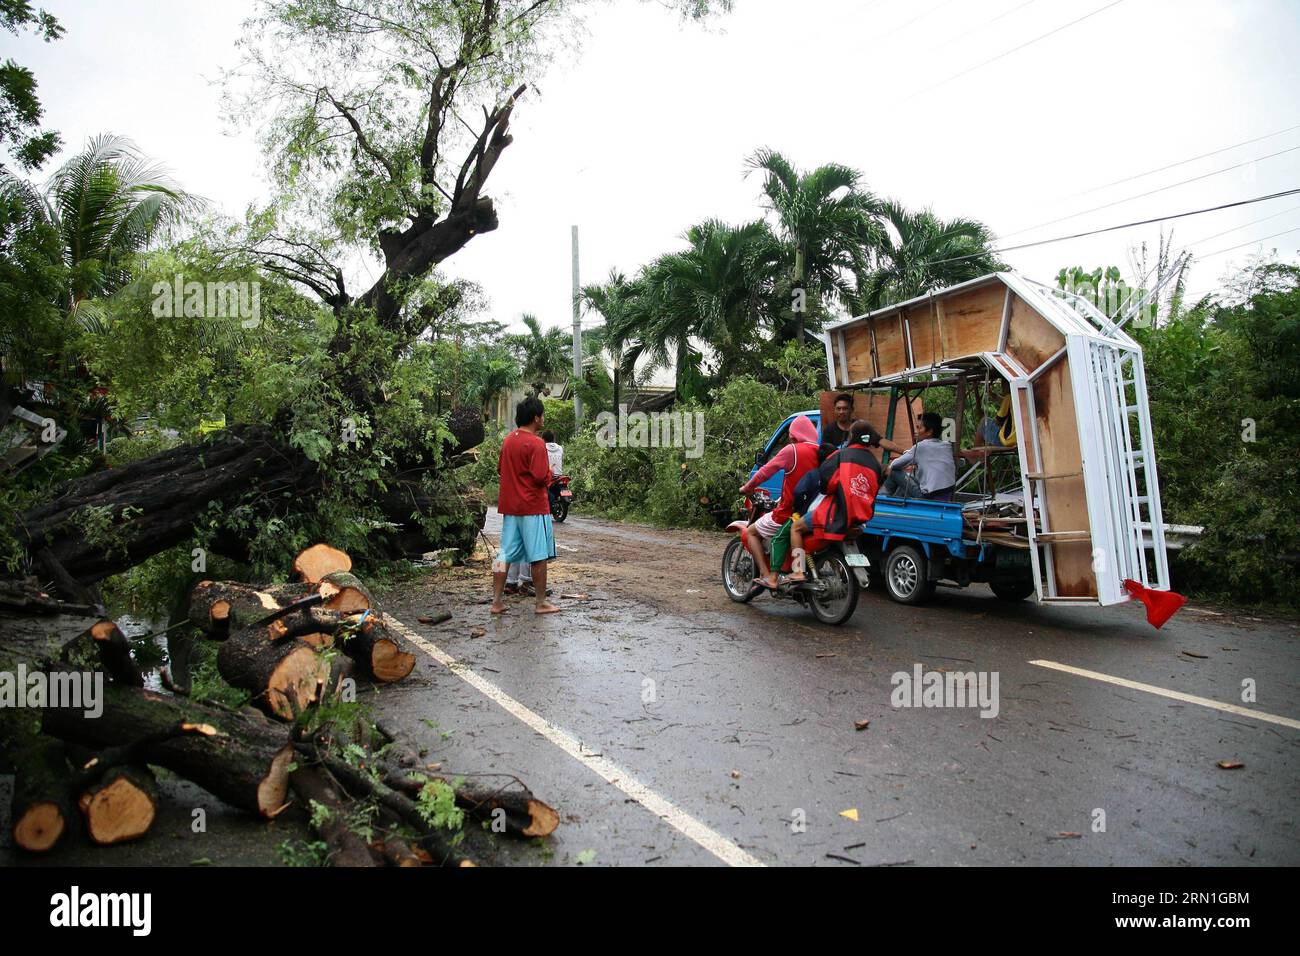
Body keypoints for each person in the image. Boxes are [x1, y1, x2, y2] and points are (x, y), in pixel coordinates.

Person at [787, 420, 882, 580]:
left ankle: (798, 572)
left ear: (852, 436)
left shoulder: (841, 456)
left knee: (795, 528)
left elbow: (826, 485)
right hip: (861, 519)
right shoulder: (875, 463)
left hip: (836, 514)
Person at [491, 396, 560, 615]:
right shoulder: (536, 443)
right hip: (533, 506)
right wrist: (549, 473)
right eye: (542, 415)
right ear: (535, 418)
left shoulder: (509, 440)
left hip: (511, 508)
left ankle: (496, 601)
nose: (543, 419)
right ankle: (541, 602)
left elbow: (501, 469)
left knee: (504, 554)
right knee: (538, 555)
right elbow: (541, 476)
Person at [738, 414, 820, 589]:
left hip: (789, 512)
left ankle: (768, 576)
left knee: (752, 532)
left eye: (791, 435)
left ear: (793, 435)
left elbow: (765, 471)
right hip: (814, 511)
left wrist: (747, 487)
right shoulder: (821, 452)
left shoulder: (792, 450)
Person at [768, 442, 836, 576]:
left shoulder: (814, 474)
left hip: (811, 516)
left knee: (779, 538)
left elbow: (799, 492)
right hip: (836, 516)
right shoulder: (840, 475)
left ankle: (777, 576)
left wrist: (797, 508)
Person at [882, 411, 957, 501]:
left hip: (928, 497)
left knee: (894, 472)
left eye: (918, 428)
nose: (915, 431)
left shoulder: (921, 446)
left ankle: (880, 500)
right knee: (910, 477)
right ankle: (896, 502)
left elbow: (895, 464)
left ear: (929, 431)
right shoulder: (946, 446)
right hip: (946, 495)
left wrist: (889, 467)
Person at [977, 381, 1018, 448]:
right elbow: (1002, 401)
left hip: (1008, 441)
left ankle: (975, 451)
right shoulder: (1021, 396)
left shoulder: (1009, 397)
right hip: (1019, 439)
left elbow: (997, 421)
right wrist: (992, 394)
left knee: (984, 421)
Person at [542, 428, 564, 510]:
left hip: (549, 475)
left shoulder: (542, 447)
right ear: (553, 438)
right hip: (559, 475)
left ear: (543, 439)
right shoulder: (560, 448)